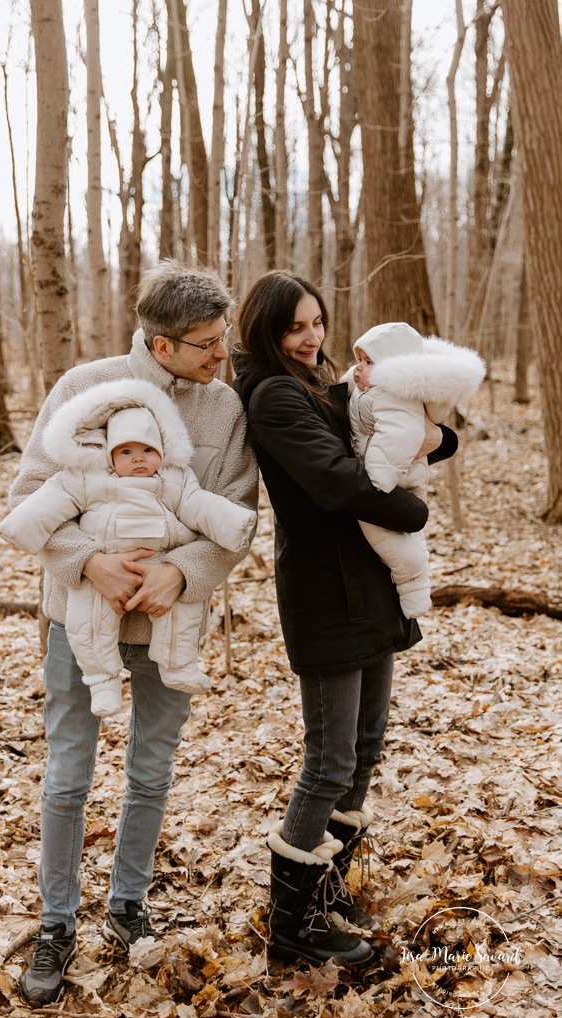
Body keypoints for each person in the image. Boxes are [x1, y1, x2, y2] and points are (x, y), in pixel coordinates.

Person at [9, 260, 257, 1005]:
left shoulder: (225, 408)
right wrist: (89, 563)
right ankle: (57, 924)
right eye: (208, 343)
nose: (223, 356)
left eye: (224, 340)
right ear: (160, 342)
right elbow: (29, 498)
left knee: (150, 771)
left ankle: (126, 906)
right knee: (67, 777)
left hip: (172, 624)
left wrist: (182, 574)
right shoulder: (82, 390)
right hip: (79, 620)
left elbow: (238, 514)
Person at [232, 272, 457, 968]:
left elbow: (395, 428)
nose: (310, 337)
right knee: (328, 761)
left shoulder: (320, 385)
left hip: (366, 587)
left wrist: (435, 438)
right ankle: (292, 924)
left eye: (317, 322)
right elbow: (336, 482)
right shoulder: (272, 395)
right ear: (266, 330)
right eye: (294, 326)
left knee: (362, 749)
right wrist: (415, 513)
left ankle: (325, 894)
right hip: (323, 592)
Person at [0, 378, 256, 715]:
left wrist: (235, 524)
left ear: (161, 452)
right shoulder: (89, 477)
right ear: (110, 454)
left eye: (147, 451)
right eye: (126, 452)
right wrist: (24, 528)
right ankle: (102, 679)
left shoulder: (174, 479)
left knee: (183, 611)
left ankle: (178, 665)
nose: (138, 460)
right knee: (89, 620)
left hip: (163, 562)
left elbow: (200, 505)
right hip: (101, 565)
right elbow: (47, 501)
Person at [341, 322, 485, 618]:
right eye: (359, 360)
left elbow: (400, 434)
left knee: (380, 532)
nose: (359, 368)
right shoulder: (370, 390)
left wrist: (377, 478)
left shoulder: (393, 394)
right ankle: (416, 585)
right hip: (397, 473)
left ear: (391, 368)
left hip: (395, 476)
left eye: (369, 362)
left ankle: (414, 583)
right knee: (407, 535)